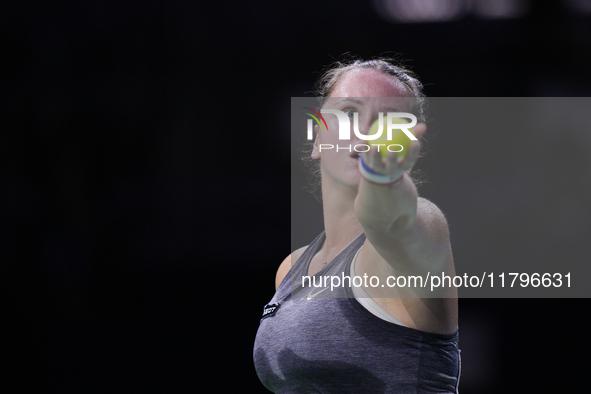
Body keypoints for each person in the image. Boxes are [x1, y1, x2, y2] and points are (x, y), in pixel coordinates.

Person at [254, 58, 460, 393]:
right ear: (318, 138)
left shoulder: (425, 225)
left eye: (387, 123)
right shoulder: (291, 268)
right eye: (349, 113)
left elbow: (390, 217)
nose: (365, 130)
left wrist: (383, 177)